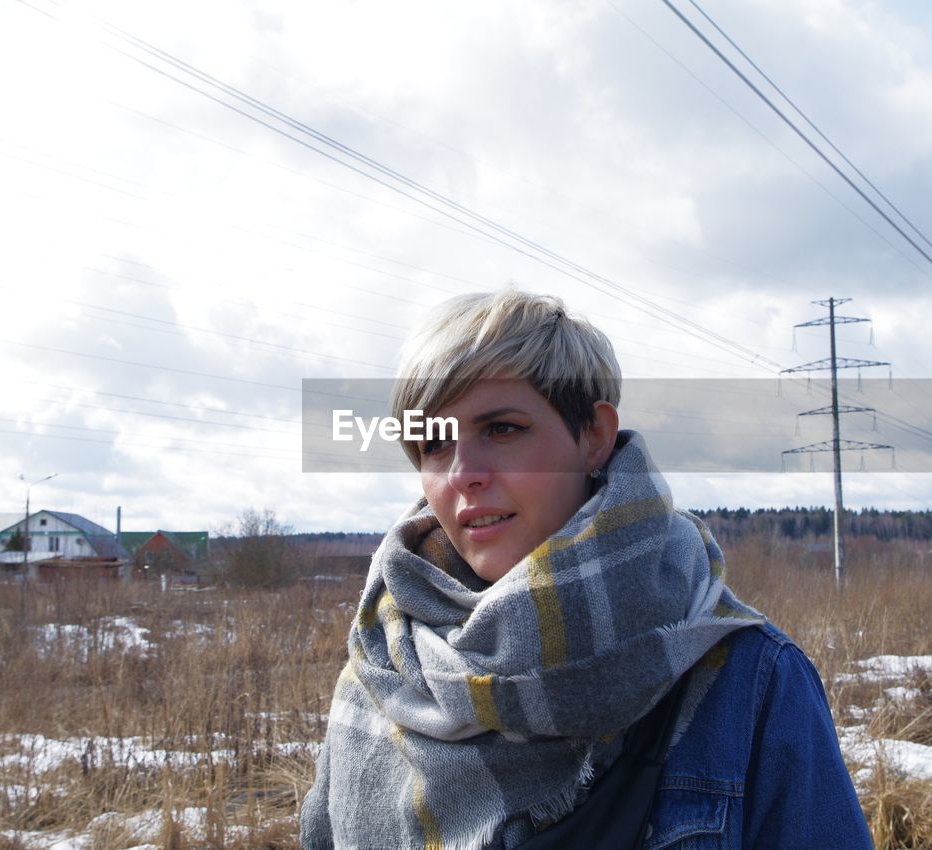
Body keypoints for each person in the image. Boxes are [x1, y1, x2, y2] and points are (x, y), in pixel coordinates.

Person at [300, 289, 872, 849]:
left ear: (594, 436)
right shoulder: (381, 665)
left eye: (501, 429)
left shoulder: (749, 682)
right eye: (433, 443)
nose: (461, 474)